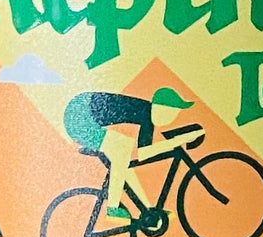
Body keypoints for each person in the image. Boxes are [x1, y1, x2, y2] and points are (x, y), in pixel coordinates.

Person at [63, 87, 195, 220]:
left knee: (123, 164)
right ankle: (112, 208)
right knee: (123, 147)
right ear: (160, 108)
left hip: (80, 111)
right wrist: (177, 141)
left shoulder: (147, 113)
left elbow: (143, 152)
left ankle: (148, 210)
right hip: (79, 116)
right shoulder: (145, 113)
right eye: (170, 113)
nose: (170, 119)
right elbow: (144, 153)